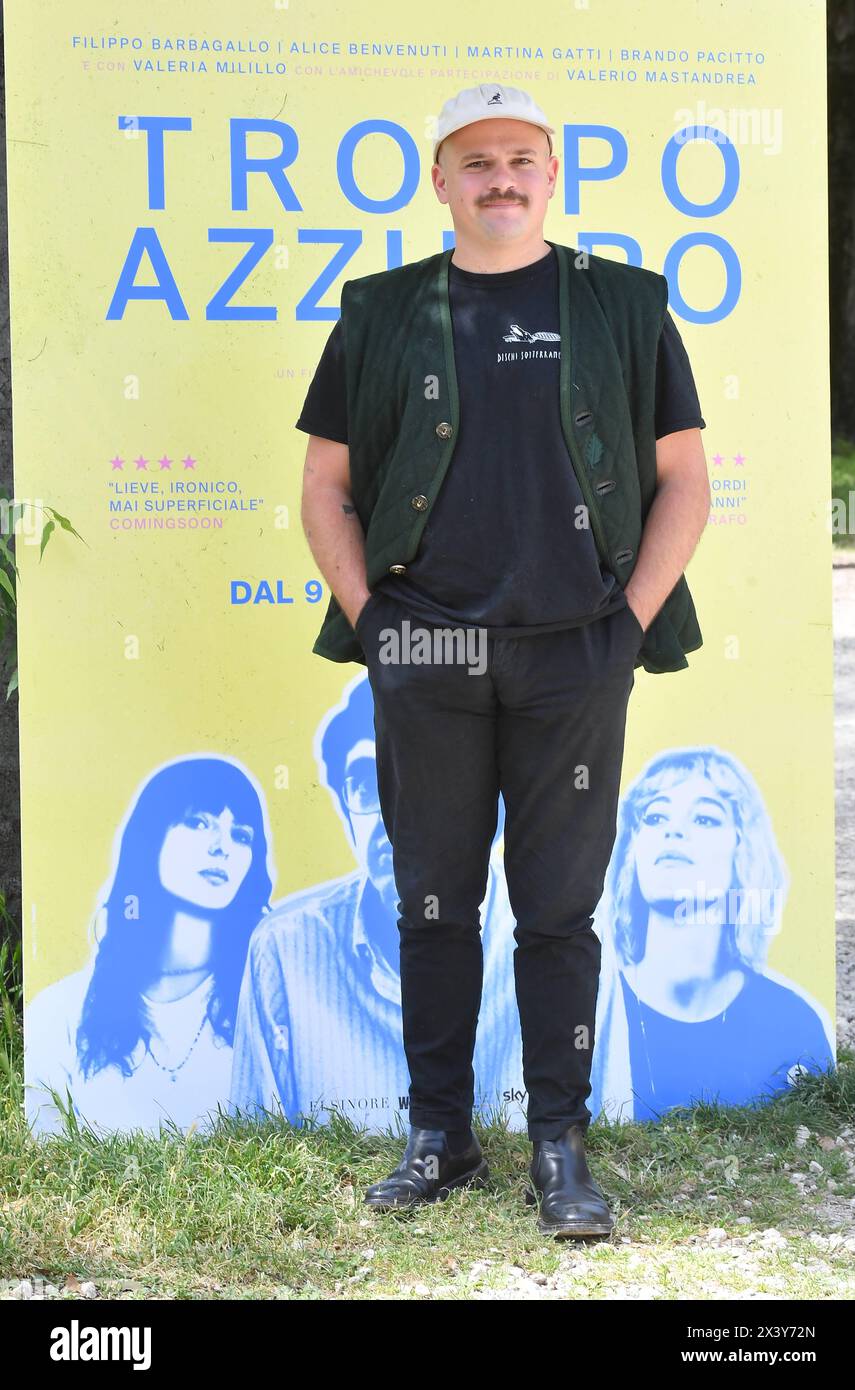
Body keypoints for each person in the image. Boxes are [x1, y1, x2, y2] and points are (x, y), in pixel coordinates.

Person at [296, 83, 710, 1238]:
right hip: (421, 643)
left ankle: (559, 1147)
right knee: (432, 902)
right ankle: (439, 1138)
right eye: (474, 160)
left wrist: (625, 622)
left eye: (521, 158)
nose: (500, 178)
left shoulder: (620, 305)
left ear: (551, 174)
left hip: (573, 648)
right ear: (438, 180)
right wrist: (373, 618)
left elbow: (684, 477)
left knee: (558, 912)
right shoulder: (379, 312)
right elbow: (324, 488)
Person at [229, 674, 525, 1136]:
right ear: (345, 808)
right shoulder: (285, 950)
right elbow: (254, 1138)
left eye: (439, 775)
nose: (399, 816)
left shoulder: (552, 937)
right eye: (368, 786)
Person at [24, 756, 274, 1137]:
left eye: (241, 835)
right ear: (151, 836)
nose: (222, 847)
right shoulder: (59, 1013)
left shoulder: (268, 1004)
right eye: (198, 822)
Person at [590, 747, 835, 1124]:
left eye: (704, 818)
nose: (674, 830)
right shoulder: (588, 1007)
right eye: (655, 815)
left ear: (743, 849)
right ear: (633, 847)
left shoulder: (795, 1023)